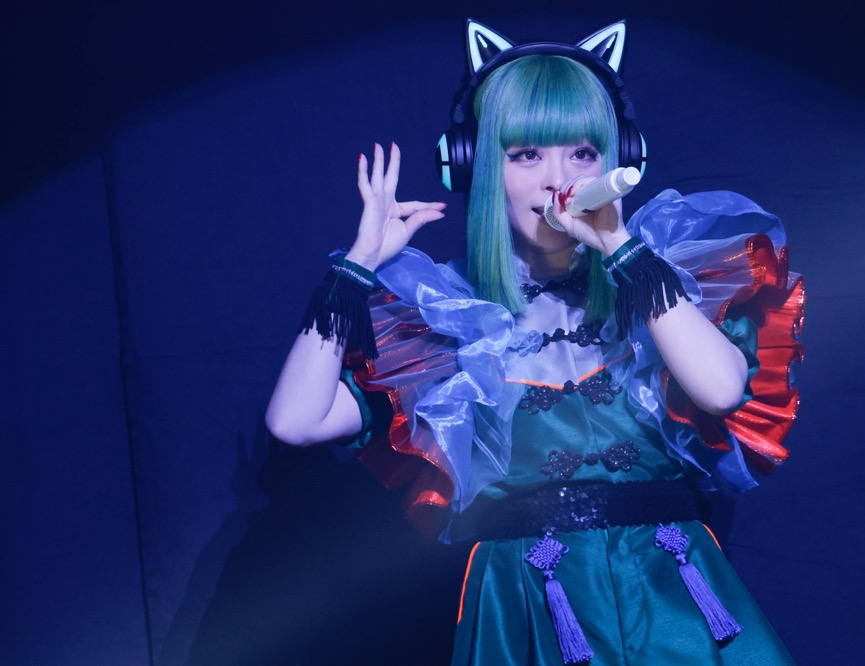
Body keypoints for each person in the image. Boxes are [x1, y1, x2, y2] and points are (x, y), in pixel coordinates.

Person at [266, 19, 803, 665]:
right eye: (526, 155)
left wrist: (619, 245)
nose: (558, 180)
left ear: (619, 163)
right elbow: (296, 422)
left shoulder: (658, 288)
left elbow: (720, 390)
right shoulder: (447, 320)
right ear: (476, 167)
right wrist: (357, 267)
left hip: (673, 602)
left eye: (583, 154)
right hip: (530, 609)